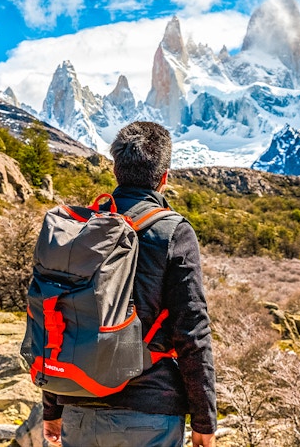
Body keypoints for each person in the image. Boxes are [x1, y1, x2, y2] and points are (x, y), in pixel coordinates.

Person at [42, 121, 217, 447]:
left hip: (78, 406)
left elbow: (58, 320)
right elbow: (192, 331)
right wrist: (204, 420)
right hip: (149, 414)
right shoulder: (174, 233)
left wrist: (51, 407)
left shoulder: (80, 229)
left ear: (115, 169)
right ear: (165, 178)